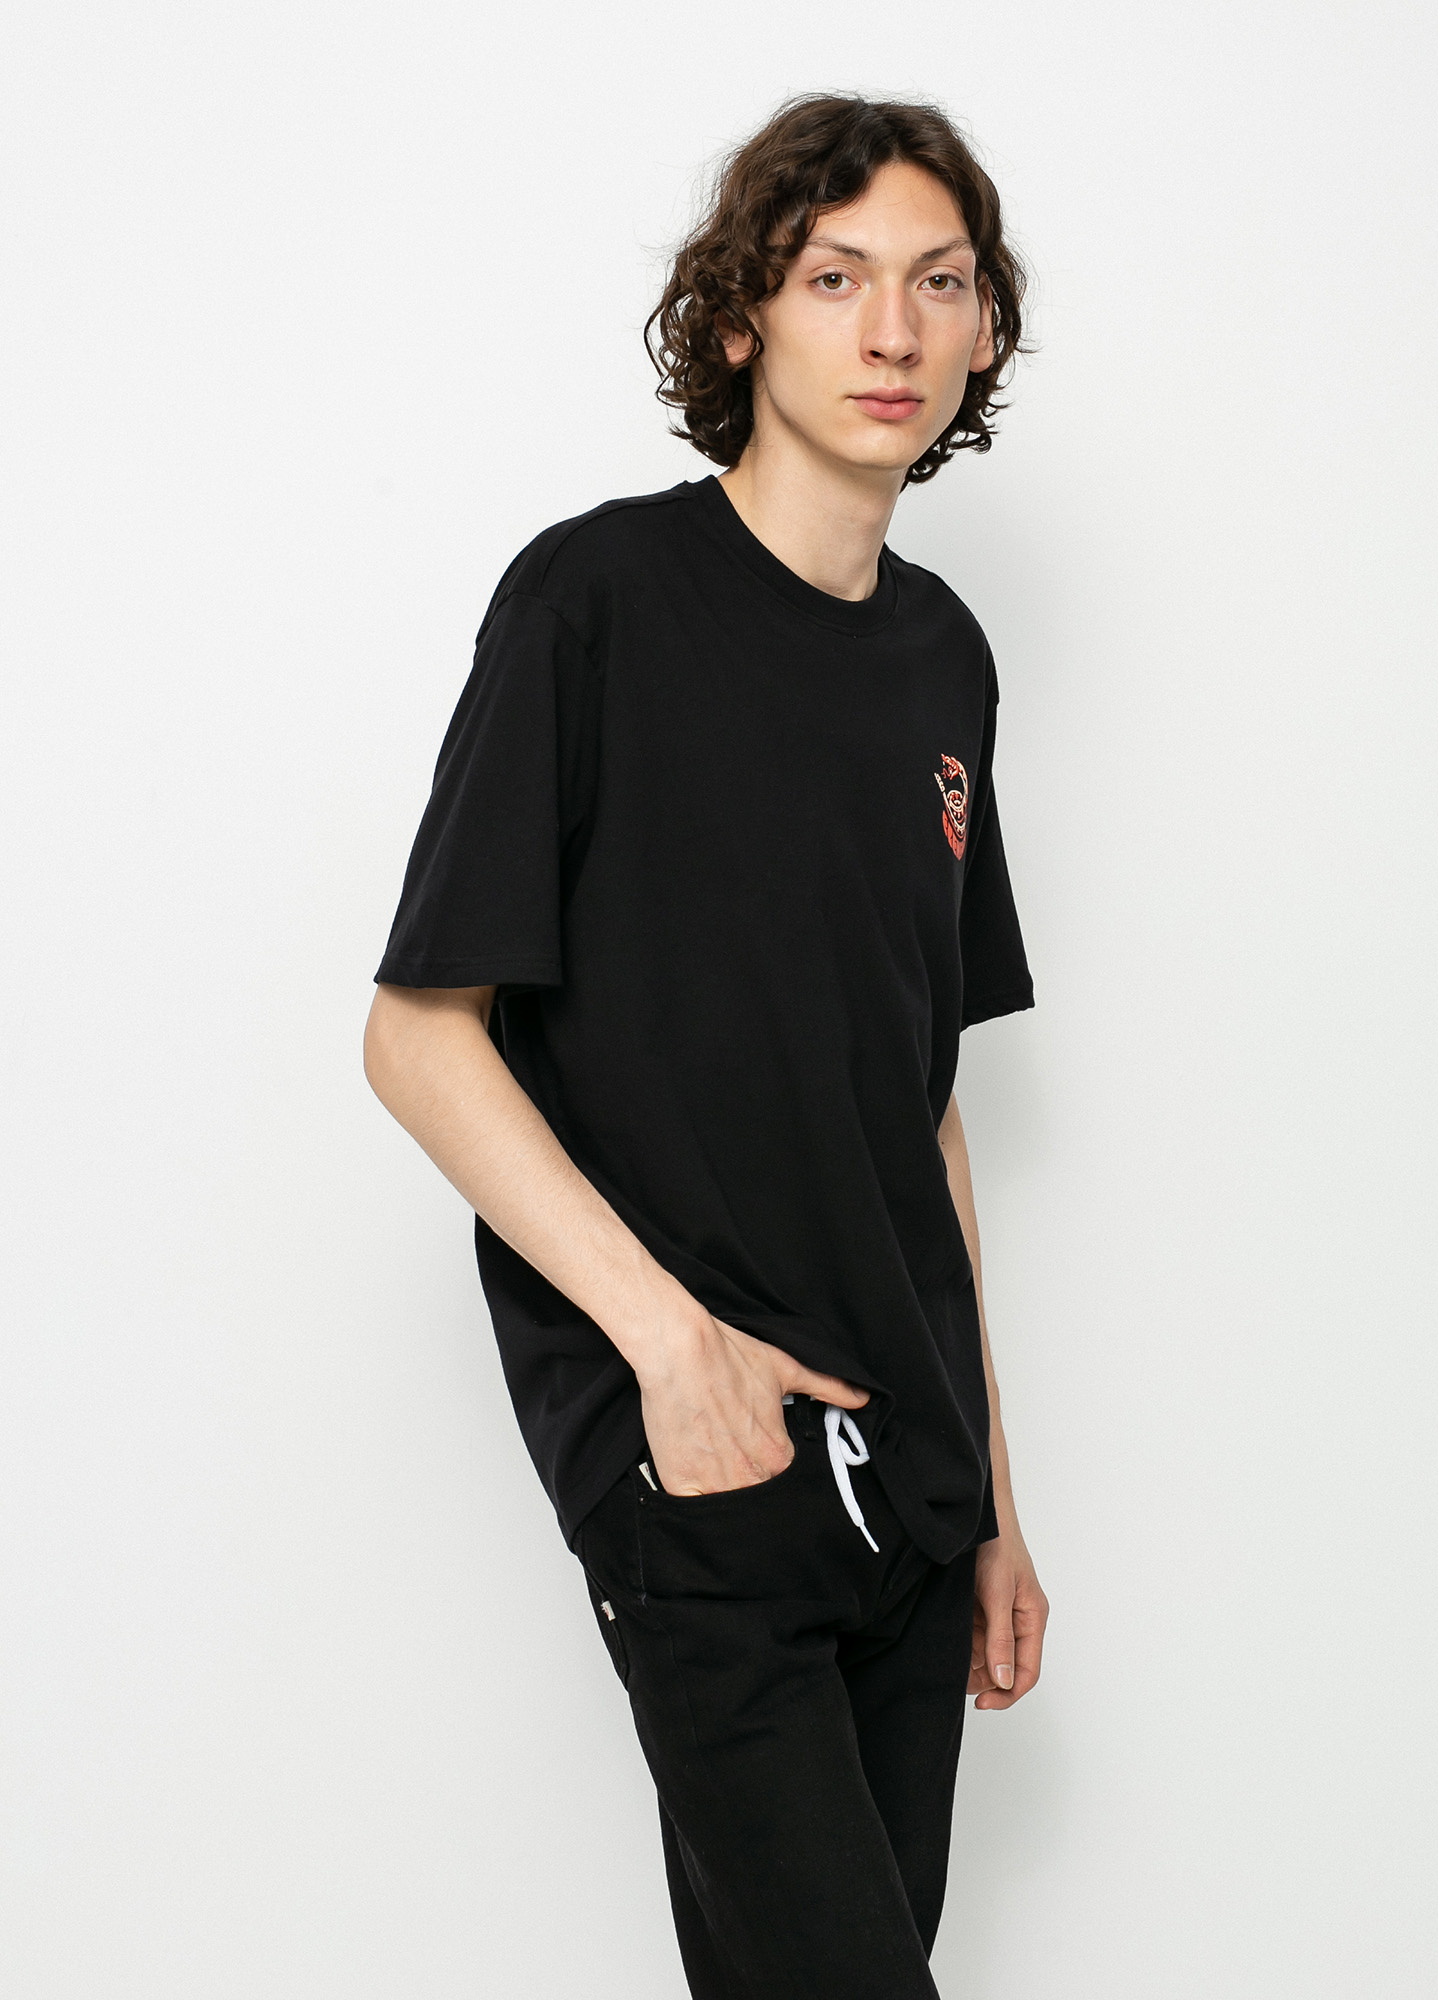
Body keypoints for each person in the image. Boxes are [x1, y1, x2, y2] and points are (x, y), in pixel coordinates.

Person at [363, 91, 1048, 2000]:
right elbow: (419, 1037)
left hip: (913, 1482)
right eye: (836, 279)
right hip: (705, 1463)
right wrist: (673, 1353)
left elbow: (924, 1105)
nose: (892, 330)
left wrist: (996, 1503)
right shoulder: (596, 602)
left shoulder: (945, 660)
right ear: (742, 315)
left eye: (940, 283)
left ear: (984, 329)